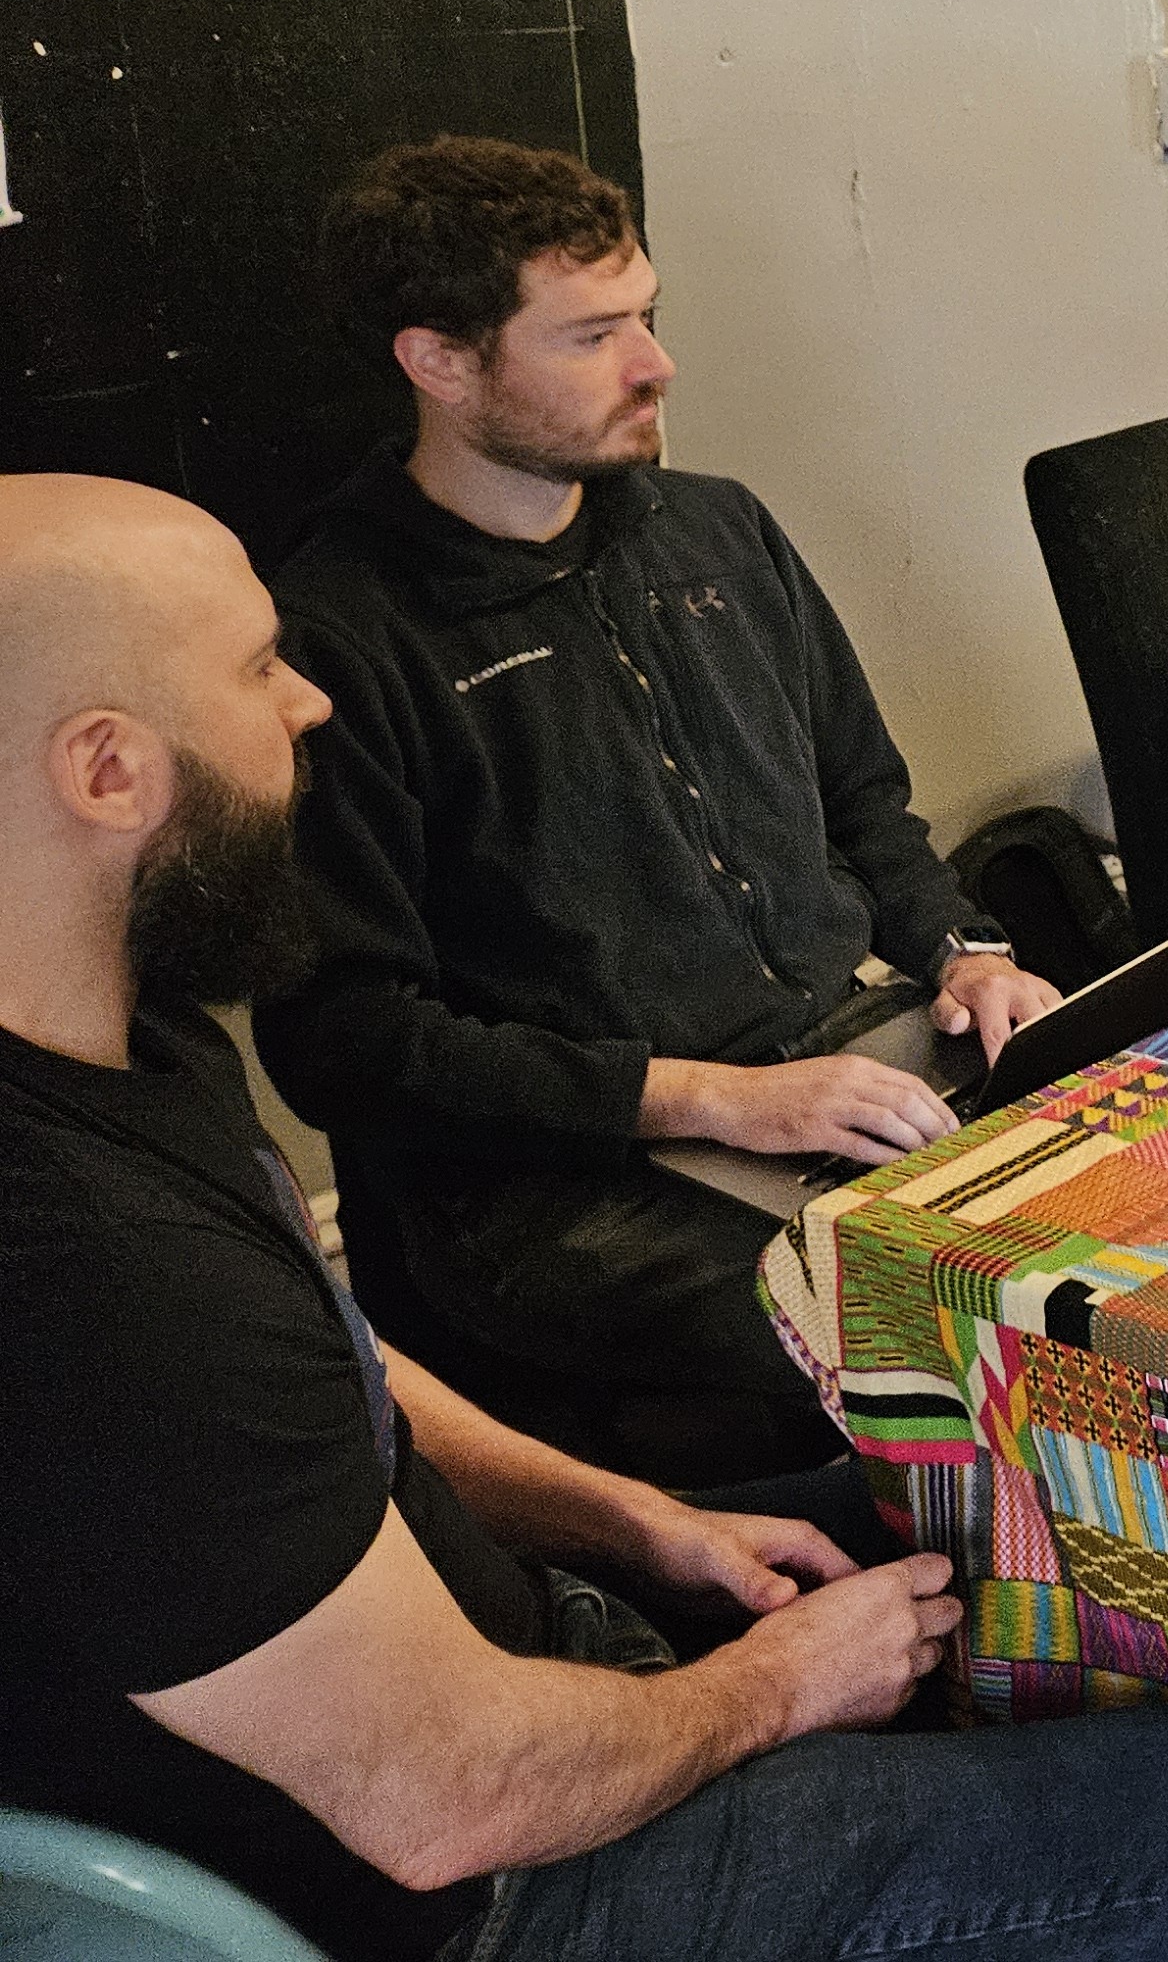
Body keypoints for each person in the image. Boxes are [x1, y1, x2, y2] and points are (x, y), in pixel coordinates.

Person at [0, 473, 1168, 1962]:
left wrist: (651, 1528)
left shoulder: (126, 1032)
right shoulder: (89, 1280)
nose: (308, 705)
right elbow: (449, 1798)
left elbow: (340, 1380)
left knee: (1035, 1494)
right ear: (107, 771)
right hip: (487, 1896)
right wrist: (780, 1689)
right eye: (256, 668)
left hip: (504, 1654)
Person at [263, 139, 1061, 1478]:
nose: (654, 364)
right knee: (952, 1331)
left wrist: (962, 953)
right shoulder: (337, 638)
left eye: (647, 315)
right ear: (440, 365)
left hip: (846, 1056)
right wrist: (717, 1100)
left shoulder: (715, 532)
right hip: (569, 1175)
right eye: (591, 334)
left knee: (1140, 1205)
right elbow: (345, 1040)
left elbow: (865, 806)